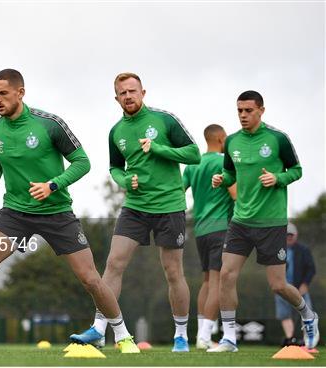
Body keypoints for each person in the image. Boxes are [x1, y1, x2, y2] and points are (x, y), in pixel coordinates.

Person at [0, 69, 139, 353]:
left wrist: (52, 185)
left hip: (57, 212)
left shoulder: (49, 125)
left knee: (90, 279)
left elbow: (82, 162)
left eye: (3, 94)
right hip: (15, 213)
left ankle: (123, 337)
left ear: (20, 92)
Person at [70, 72, 201, 352]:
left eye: (132, 91)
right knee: (114, 264)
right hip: (135, 207)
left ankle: (181, 336)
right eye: (122, 93)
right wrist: (123, 180)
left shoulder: (165, 120)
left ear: (143, 93)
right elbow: (115, 168)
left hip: (169, 206)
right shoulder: (116, 132)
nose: (128, 96)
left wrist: (159, 149)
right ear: (116, 98)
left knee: (173, 271)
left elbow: (194, 154)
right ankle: (99, 329)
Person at [209, 90, 320, 352]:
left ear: (261, 110)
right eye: (239, 110)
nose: (243, 115)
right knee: (226, 275)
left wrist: (278, 178)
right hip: (240, 221)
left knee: (278, 286)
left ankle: (308, 315)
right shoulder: (232, 141)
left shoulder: (278, 139)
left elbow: (297, 171)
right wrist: (221, 180)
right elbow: (229, 173)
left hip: (271, 223)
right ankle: (229, 339)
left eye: (248, 110)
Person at [182, 124, 236, 349]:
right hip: (220, 228)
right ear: (221, 139)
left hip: (200, 230)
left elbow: (178, 191)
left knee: (207, 281)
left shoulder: (193, 164)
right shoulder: (224, 163)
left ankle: (200, 336)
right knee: (217, 282)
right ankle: (204, 337)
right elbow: (236, 196)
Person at [276, 222, 316, 346]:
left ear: (296, 235)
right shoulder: (278, 249)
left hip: (300, 288)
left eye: (291, 235)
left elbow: (311, 268)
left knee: (307, 312)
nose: (289, 237)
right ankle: (291, 339)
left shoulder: (304, 250)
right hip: (282, 287)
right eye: (287, 235)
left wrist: (305, 284)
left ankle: (308, 340)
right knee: (284, 313)